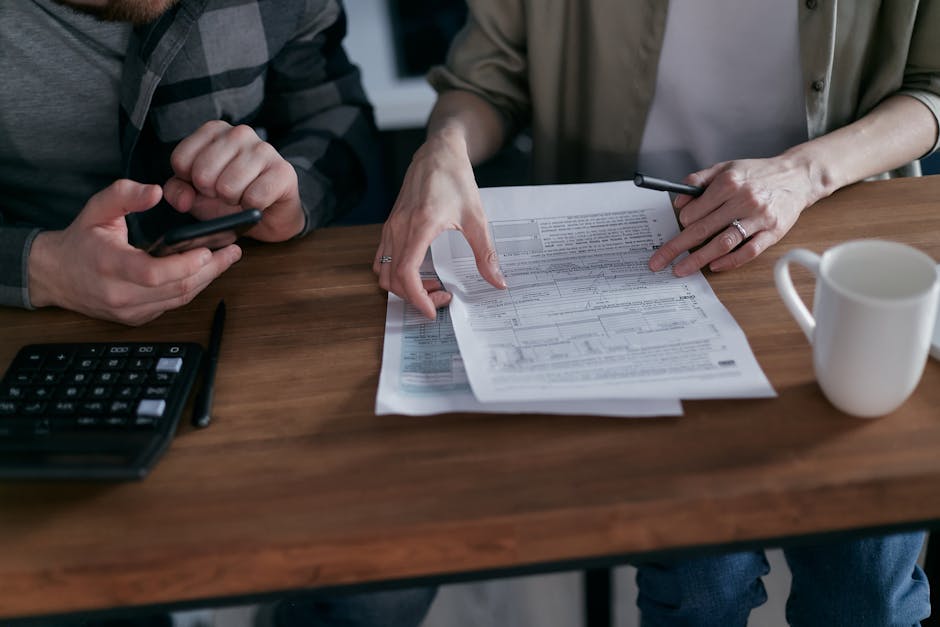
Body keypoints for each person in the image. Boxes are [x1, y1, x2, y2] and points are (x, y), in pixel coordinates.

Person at [375, 1, 939, 625]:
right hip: (627, 257)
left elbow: (932, 87)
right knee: (700, 587)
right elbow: (487, 77)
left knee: (868, 591)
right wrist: (443, 146)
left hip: (840, 248)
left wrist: (802, 173)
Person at [1, 1, 436, 626]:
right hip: (33, 338)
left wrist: (292, 195)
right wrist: (37, 264)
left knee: (382, 580)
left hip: (249, 319)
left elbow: (338, 115)